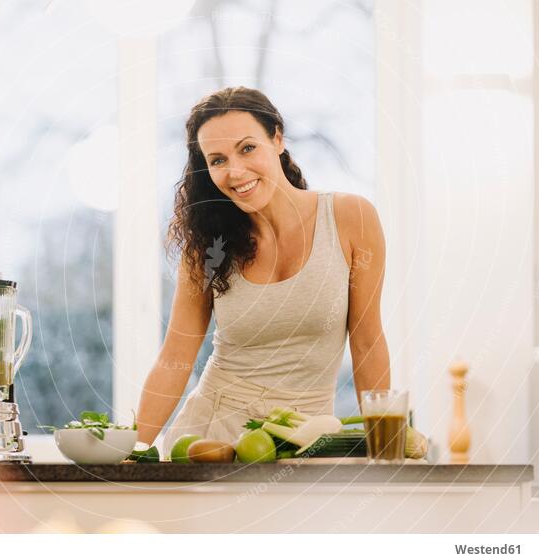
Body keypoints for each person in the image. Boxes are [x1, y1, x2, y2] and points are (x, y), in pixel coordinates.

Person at [135, 86, 390, 457]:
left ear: (278, 138)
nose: (236, 171)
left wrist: (384, 448)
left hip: (307, 441)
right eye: (218, 160)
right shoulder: (208, 244)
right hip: (210, 435)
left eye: (247, 148)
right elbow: (175, 357)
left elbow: (367, 343)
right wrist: (135, 448)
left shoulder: (352, 219)